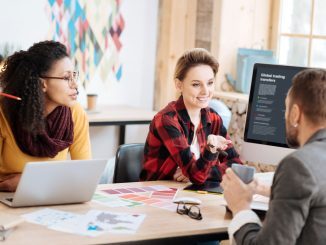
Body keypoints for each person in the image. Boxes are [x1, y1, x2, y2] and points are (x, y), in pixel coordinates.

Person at [221, 68, 326, 244]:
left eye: (285, 110)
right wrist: (274, 190)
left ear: (294, 114)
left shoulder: (299, 165)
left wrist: (240, 207)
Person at [140, 48, 242, 184]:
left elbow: (237, 166)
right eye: (196, 84)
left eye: (210, 83)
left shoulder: (213, 118)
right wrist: (211, 149)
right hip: (155, 194)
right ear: (179, 85)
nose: (205, 91)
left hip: (192, 193)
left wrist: (199, 172)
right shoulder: (167, 120)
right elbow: (197, 176)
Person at [0, 40, 91, 192]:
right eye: (66, 78)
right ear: (42, 84)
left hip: (52, 197)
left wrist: (31, 181)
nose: (75, 85)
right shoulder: (3, 112)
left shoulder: (76, 113)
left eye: (74, 76)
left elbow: (85, 173)